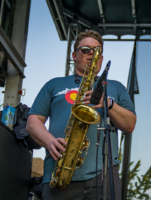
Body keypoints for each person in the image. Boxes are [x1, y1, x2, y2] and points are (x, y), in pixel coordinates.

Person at [26, 30, 136, 200]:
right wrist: (50, 142)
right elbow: (33, 122)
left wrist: (109, 104)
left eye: (97, 50)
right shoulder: (54, 85)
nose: (92, 53)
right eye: (85, 49)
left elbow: (130, 125)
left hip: (104, 175)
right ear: (73, 55)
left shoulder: (116, 87)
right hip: (59, 172)